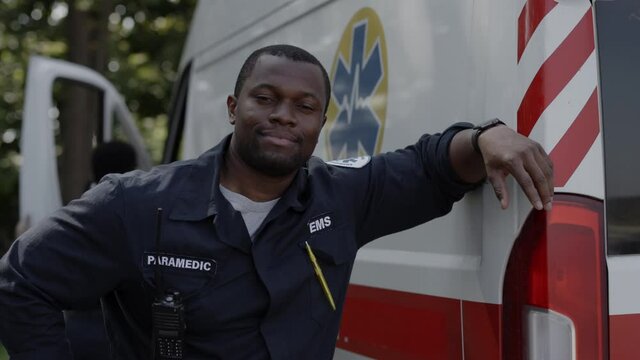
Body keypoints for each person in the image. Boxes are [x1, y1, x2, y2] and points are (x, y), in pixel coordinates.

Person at [0, 44, 553, 359]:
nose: (285, 114)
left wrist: (486, 136)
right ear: (234, 106)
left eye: (304, 105)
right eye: (266, 98)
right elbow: (21, 282)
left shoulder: (345, 195)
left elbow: (433, 163)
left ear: (321, 122)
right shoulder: (135, 204)